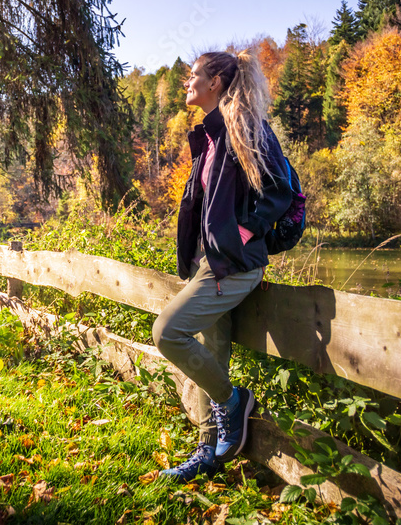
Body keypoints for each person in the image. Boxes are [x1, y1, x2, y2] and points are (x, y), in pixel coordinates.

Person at [153, 48, 292, 482]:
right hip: (209, 266)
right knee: (211, 356)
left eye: (194, 75)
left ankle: (234, 402)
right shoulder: (211, 136)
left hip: (234, 267)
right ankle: (208, 454)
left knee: (167, 332)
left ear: (215, 82)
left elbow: (280, 191)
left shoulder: (245, 127)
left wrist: (244, 235)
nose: (187, 82)